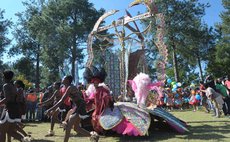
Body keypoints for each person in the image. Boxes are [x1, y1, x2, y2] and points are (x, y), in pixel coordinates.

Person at [45, 75, 91, 142]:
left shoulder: (70, 87)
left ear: (67, 80)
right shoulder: (66, 87)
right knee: (76, 128)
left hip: (81, 106)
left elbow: (62, 100)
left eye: (64, 78)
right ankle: (93, 136)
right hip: (78, 106)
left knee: (68, 126)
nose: (62, 78)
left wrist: (50, 109)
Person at [0, 70, 29, 142]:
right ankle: (25, 140)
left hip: (9, 110)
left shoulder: (6, 85)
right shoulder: (13, 86)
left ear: (4, 77)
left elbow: (8, 98)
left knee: (2, 132)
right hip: (15, 110)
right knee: (10, 131)